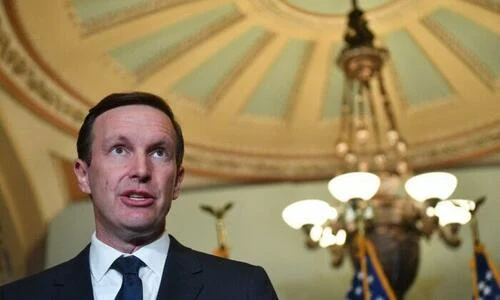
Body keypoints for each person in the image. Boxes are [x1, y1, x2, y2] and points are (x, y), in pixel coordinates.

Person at [0, 92, 278, 299]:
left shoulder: (244, 289)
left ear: (177, 181)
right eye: (119, 149)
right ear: (83, 175)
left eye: (158, 152)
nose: (141, 170)